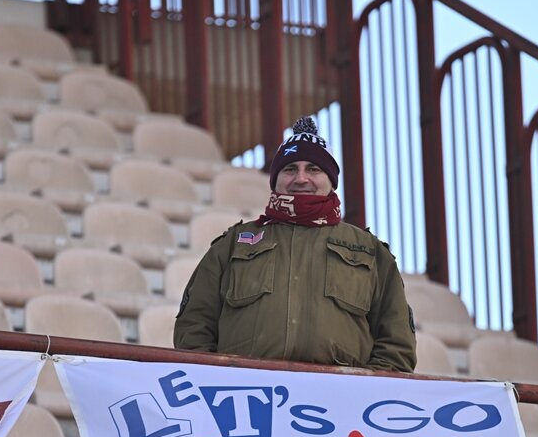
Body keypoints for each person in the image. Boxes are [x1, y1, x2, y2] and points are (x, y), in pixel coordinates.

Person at [173, 116, 416, 373]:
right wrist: (213, 381)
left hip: (339, 403)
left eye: (313, 168)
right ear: (275, 179)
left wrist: (362, 394)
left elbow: (396, 345)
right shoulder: (232, 245)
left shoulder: (370, 251)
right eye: (290, 169)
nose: (301, 179)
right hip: (247, 400)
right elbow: (194, 328)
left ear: (331, 180)